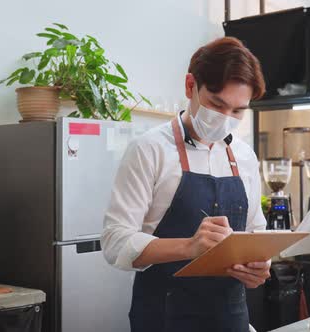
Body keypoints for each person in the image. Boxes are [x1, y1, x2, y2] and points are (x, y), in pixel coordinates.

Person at [101, 37, 269, 332]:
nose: (225, 119)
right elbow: (115, 242)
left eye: (238, 111)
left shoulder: (244, 156)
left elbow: (255, 231)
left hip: (231, 318)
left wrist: (257, 266)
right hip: (164, 317)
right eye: (217, 104)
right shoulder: (149, 149)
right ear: (190, 86)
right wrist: (189, 246)